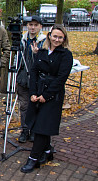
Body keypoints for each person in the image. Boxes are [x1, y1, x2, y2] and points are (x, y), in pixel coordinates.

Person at [20, 24, 73, 173]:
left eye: (60, 37)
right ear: (49, 35)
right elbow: (34, 72)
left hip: (52, 95)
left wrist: (47, 95)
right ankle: (48, 151)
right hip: (38, 91)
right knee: (38, 123)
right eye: (54, 36)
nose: (57, 39)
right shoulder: (42, 52)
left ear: (64, 39)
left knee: (42, 127)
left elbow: (61, 78)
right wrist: (33, 92)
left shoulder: (65, 55)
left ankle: (33, 158)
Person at [16, 16, 46, 143]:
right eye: (30, 25)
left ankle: (34, 130)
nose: (32, 27)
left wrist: (37, 54)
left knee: (36, 105)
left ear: (40, 26)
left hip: (38, 80)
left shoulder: (44, 41)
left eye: (35, 25)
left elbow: (46, 64)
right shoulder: (22, 39)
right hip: (23, 78)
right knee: (24, 106)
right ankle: (25, 130)